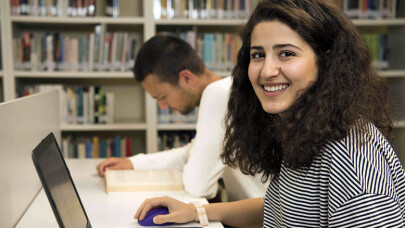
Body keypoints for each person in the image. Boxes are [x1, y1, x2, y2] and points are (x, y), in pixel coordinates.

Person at [134, 0, 405, 227]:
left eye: (286, 53)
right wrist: (197, 212)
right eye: (258, 55)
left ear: (327, 62)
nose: (266, 71)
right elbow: (282, 209)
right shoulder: (303, 130)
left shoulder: (352, 161)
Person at [96, 35, 268, 201]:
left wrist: (188, 172)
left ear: (186, 78)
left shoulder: (217, 94)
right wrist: (132, 163)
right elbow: (190, 153)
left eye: (162, 96)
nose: (162, 106)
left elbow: (197, 186)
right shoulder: (229, 91)